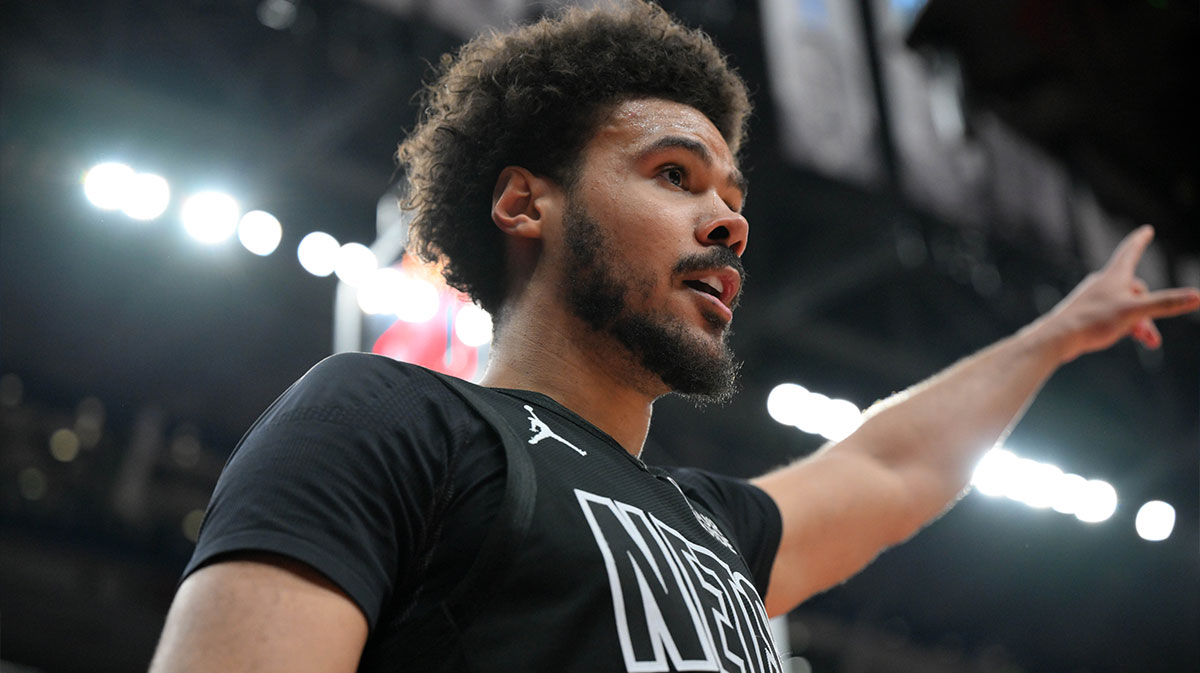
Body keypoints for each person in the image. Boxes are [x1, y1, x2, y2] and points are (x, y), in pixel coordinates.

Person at [148, 2, 1200, 672]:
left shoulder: (713, 525)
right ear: (526, 205)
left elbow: (894, 460)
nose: (730, 219)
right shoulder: (386, 416)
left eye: (733, 193)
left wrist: (1058, 333)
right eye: (673, 175)